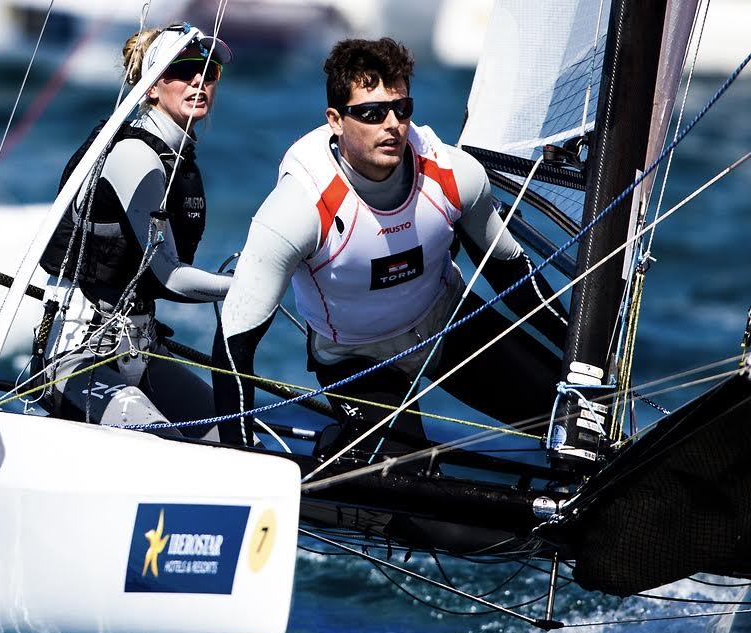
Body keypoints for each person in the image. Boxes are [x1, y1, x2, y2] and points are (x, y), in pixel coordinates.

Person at [212, 38, 568, 455]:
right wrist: (237, 454)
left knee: (571, 421)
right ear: (336, 120)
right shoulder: (299, 208)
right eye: (371, 113)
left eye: (401, 109)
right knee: (407, 478)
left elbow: (513, 274)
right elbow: (235, 342)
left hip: (442, 321)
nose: (392, 124)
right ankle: (340, 454)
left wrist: (585, 354)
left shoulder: (454, 176)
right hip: (354, 354)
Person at [36, 25, 233, 438]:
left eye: (209, 71)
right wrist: (251, 283)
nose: (198, 80)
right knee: (167, 448)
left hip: (140, 349)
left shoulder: (177, 155)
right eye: (179, 70)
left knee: (235, 438)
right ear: (151, 86)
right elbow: (170, 276)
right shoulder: (135, 156)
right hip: (80, 358)